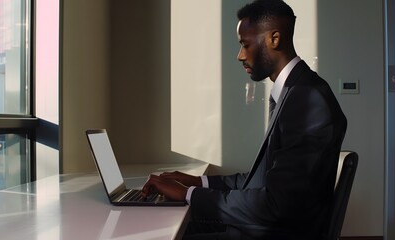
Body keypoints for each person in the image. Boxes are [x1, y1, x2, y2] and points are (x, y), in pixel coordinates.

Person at [142, 0, 347, 239]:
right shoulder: (293, 93)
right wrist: (197, 182)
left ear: (274, 39)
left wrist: (188, 194)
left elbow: (276, 204)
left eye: (245, 44)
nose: (240, 55)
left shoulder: (309, 99)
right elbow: (260, 180)